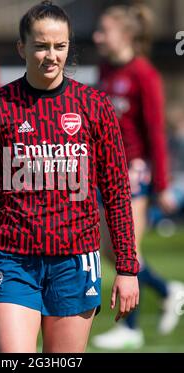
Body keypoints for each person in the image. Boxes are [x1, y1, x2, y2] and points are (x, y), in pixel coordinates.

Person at [0, 0, 139, 353]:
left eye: (60, 46)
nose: (51, 55)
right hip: (12, 261)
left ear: (69, 46)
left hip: (76, 261)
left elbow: (117, 192)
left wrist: (128, 268)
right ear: (22, 47)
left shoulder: (95, 105)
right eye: (40, 45)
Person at [92, 4, 184, 349]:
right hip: (105, 171)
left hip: (134, 172)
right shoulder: (104, 68)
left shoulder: (144, 74)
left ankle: (130, 328)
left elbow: (155, 133)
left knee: (125, 247)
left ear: (126, 35)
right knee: (109, 250)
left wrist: (160, 185)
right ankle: (167, 289)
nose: (98, 36)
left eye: (105, 31)